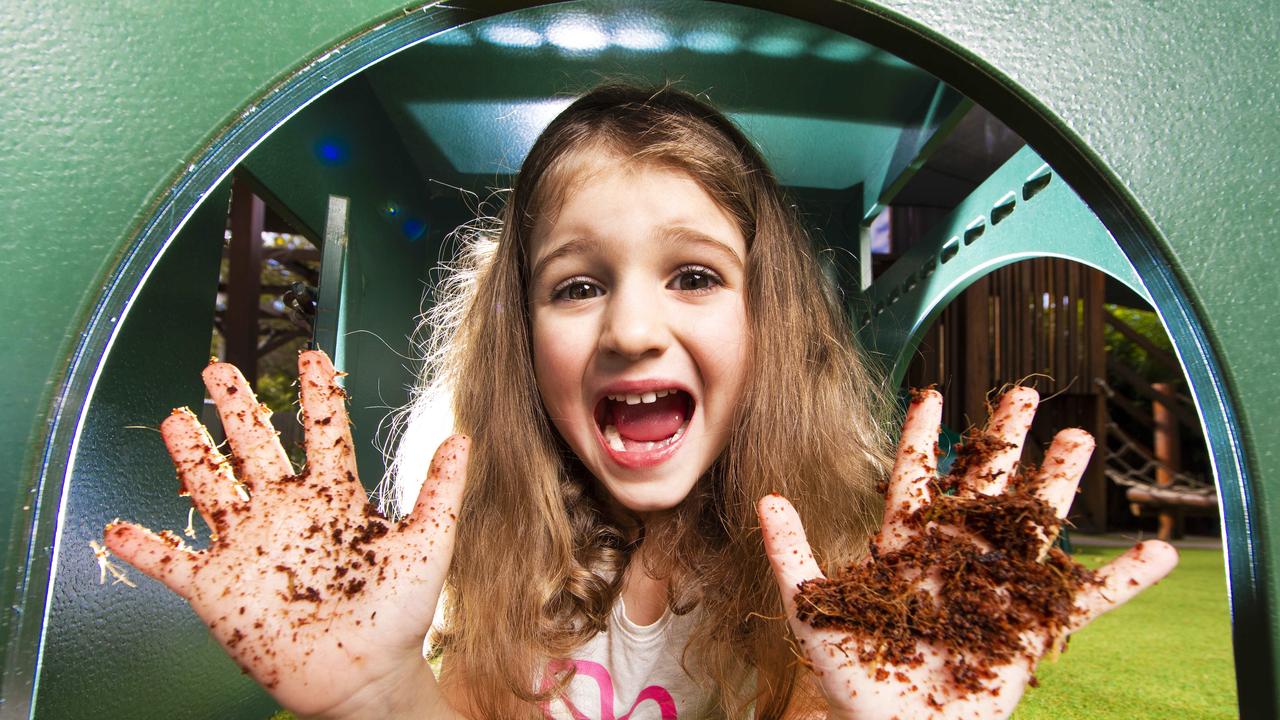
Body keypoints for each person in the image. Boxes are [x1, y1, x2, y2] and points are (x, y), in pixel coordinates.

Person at [103, 84, 1178, 720]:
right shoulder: (509, 565)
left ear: (769, 329)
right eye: (576, 285)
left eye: (695, 276)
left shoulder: (843, 581)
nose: (627, 330)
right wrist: (376, 691)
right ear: (522, 351)